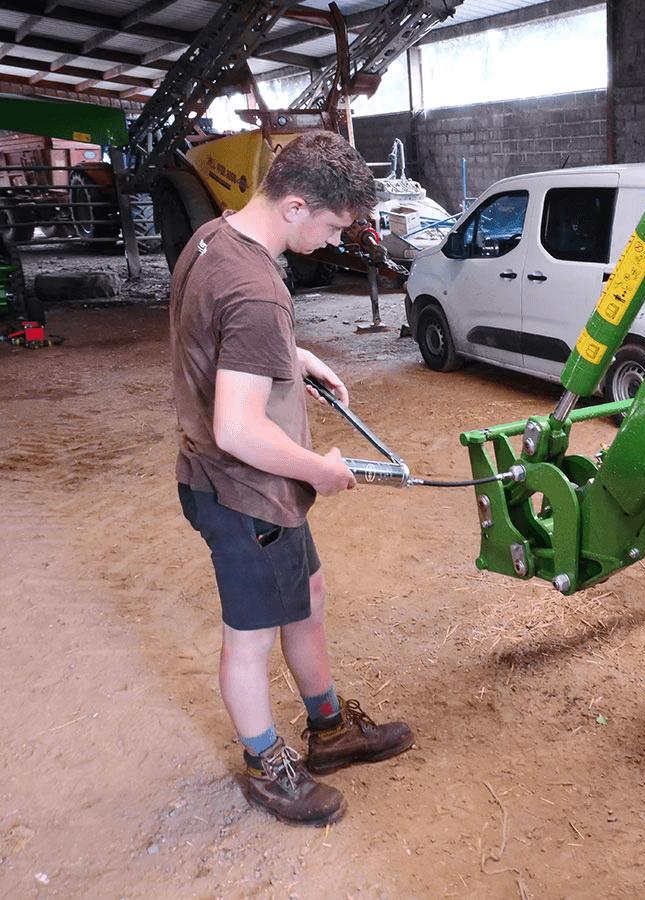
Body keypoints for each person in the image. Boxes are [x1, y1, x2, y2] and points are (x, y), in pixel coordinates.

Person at [170, 130, 412, 826]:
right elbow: (237, 429)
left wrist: (290, 357)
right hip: (242, 490)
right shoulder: (256, 290)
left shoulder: (216, 238)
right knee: (249, 639)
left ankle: (329, 729)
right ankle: (265, 767)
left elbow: (215, 334)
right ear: (296, 205)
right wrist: (322, 471)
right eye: (333, 227)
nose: (334, 240)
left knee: (307, 595)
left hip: (256, 489)